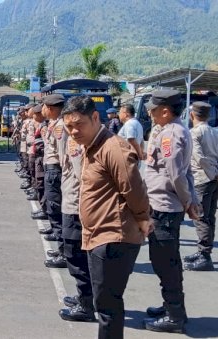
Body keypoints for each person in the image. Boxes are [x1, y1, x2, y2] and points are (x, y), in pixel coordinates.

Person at [62, 95, 151, 339]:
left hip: (113, 237)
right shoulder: (93, 146)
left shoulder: (113, 148)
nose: (73, 131)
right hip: (100, 235)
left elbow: (133, 188)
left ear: (94, 117)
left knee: (108, 306)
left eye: (78, 124)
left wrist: (143, 218)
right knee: (105, 304)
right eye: (69, 126)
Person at [142, 90, 200, 333]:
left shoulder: (170, 135)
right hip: (163, 205)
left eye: (153, 110)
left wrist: (188, 202)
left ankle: (175, 316)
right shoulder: (171, 131)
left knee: (166, 262)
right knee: (165, 260)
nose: (150, 114)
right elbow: (185, 173)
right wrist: (190, 200)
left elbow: (177, 174)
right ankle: (172, 307)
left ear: (165, 111)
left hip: (164, 207)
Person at [55, 97, 95, 323]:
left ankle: (87, 304)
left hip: (77, 205)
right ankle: (86, 297)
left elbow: (82, 174)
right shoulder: (76, 137)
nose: (73, 130)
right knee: (77, 255)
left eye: (76, 124)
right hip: (72, 200)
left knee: (76, 255)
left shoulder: (79, 140)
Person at [184, 101, 218, 271]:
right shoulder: (215, 133)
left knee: (201, 218)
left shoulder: (193, 133)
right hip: (213, 181)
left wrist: (214, 172)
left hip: (201, 180)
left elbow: (199, 158)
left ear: (192, 115)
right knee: (209, 217)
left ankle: (205, 255)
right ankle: (203, 251)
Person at [40, 94, 67, 269]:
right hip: (52, 170)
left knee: (56, 210)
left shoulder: (60, 127)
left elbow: (63, 154)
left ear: (50, 108)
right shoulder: (54, 125)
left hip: (55, 171)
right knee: (53, 208)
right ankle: (61, 247)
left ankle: (65, 253)